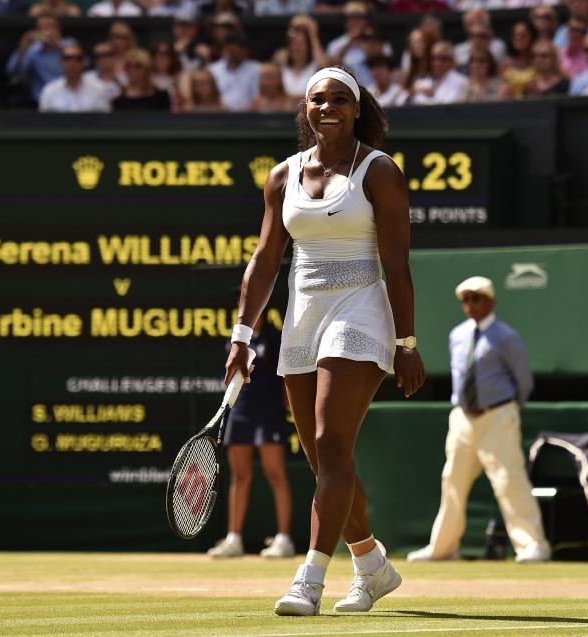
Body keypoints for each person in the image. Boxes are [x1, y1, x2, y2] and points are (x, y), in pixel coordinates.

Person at [224, 66, 425, 616]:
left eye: (340, 99)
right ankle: (371, 564)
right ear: (305, 110)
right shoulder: (282, 175)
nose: (328, 107)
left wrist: (406, 342)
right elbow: (265, 260)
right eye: (318, 100)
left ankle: (308, 579)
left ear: (358, 109)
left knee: (332, 444)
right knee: (321, 457)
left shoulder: (380, 171)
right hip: (302, 316)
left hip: (361, 307)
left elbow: (398, 264)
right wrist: (242, 336)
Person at [407, 276, 549, 564]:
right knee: (452, 481)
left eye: (477, 298)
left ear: (491, 302)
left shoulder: (506, 336)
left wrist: (508, 408)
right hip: (461, 419)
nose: (470, 304)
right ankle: (443, 548)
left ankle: (533, 545)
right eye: (466, 300)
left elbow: (523, 380)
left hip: (497, 415)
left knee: (509, 480)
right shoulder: (457, 335)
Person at [208, 295, 296, 559]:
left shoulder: (277, 337)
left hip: (269, 414)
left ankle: (284, 540)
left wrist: (289, 404)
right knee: (240, 477)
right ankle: (234, 539)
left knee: (275, 474)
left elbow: (286, 377)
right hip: (241, 412)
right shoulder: (236, 341)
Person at [6, 13, 73, 105]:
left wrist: (58, 45)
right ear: (37, 31)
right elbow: (14, 72)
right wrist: (23, 48)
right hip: (38, 100)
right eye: (43, 28)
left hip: (69, 98)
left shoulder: (70, 44)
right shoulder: (33, 49)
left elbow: (84, 64)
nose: (48, 32)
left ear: (59, 29)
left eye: (52, 27)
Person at [38, 43, 114, 112]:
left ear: (84, 63)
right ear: (60, 63)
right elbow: (43, 122)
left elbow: (105, 121)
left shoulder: (99, 89)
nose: (72, 63)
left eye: (77, 58)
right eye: (67, 58)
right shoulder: (49, 90)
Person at [207, 31, 261, 112]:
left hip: (250, 116)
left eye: (240, 48)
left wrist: (247, 111)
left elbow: (260, 95)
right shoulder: (212, 70)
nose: (236, 51)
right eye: (231, 48)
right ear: (225, 48)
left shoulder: (257, 69)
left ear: (246, 50)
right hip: (218, 115)